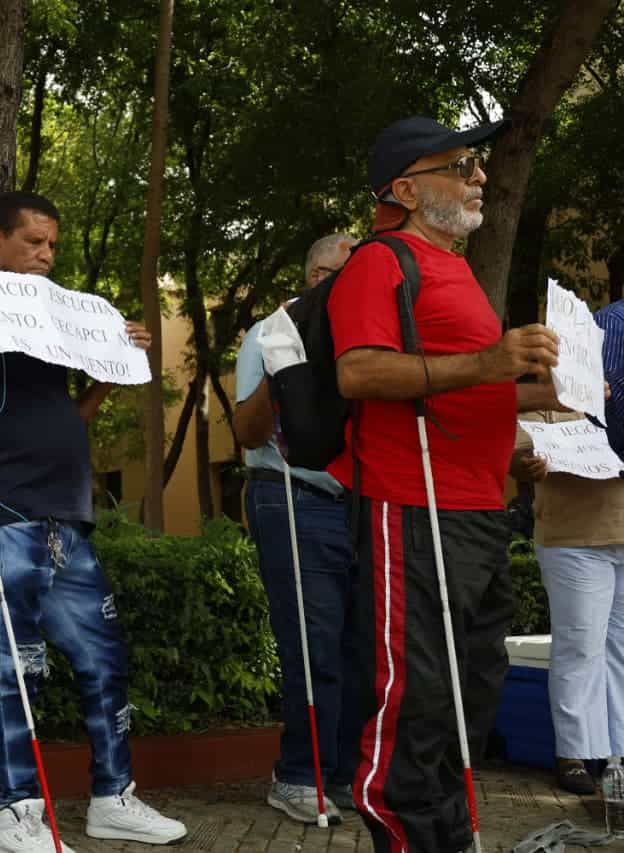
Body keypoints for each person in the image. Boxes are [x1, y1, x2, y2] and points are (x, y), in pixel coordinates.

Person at [0, 191, 187, 853]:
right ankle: (16, 811)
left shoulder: (60, 317)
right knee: (17, 663)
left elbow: (70, 415)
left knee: (103, 659)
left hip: (69, 513)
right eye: (33, 242)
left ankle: (113, 797)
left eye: (53, 245)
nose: (45, 255)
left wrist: (114, 367)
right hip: (6, 511)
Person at [327, 115, 565, 852]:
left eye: (475, 164)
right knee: (419, 694)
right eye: (460, 166)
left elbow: (469, 388)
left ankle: (448, 834)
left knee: (473, 687)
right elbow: (359, 371)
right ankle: (406, 832)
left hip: (479, 508)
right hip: (414, 506)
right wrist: (493, 363)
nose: (479, 176)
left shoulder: (453, 267)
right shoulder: (381, 262)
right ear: (405, 190)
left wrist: (544, 400)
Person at [233, 232, 362, 824]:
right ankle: (297, 776)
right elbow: (247, 432)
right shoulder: (270, 332)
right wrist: (281, 369)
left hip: (358, 502)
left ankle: (344, 775)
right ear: (315, 277)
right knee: (314, 646)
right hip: (291, 496)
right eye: (341, 274)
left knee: (359, 648)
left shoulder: (363, 337)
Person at [512, 413, 624, 795]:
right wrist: (528, 464)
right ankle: (573, 754)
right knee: (579, 648)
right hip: (573, 538)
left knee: (619, 649)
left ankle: (616, 755)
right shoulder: (543, 396)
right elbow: (514, 456)